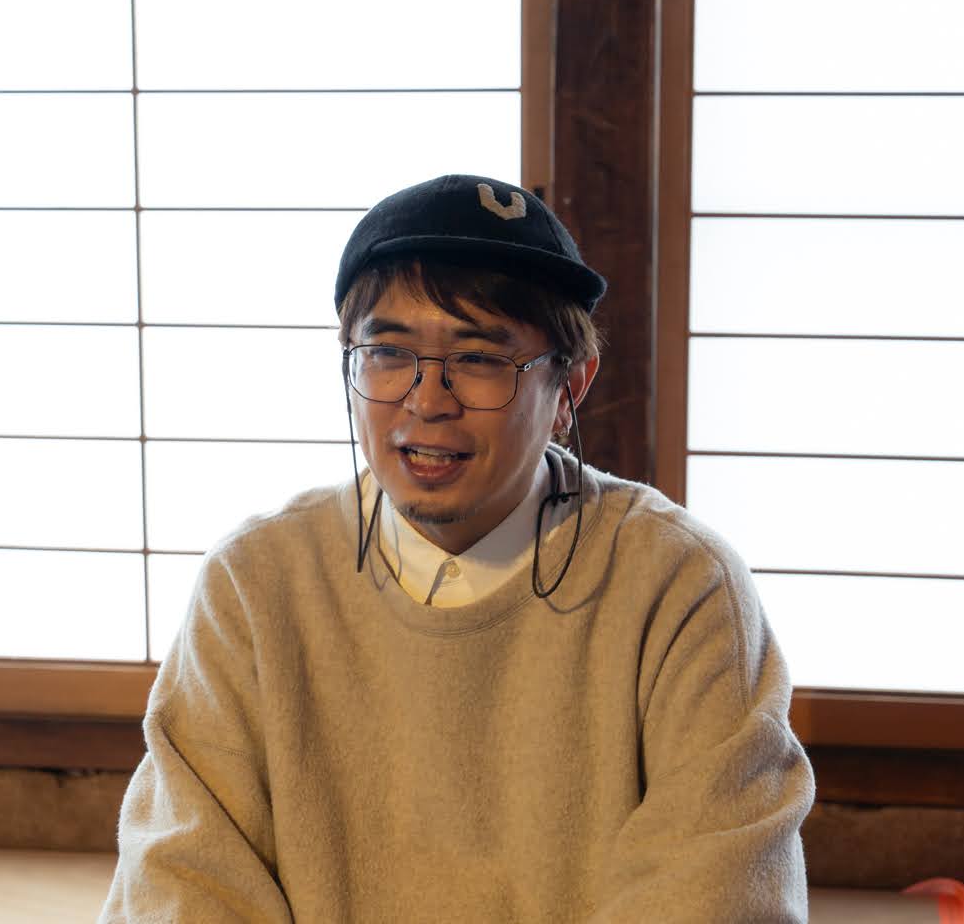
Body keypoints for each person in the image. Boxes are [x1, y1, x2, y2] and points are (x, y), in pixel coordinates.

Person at [99, 174, 815, 922]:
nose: (427, 400)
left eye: (479, 358)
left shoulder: (681, 585)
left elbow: (717, 890)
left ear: (570, 388)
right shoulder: (255, 582)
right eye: (388, 351)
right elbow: (180, 882)